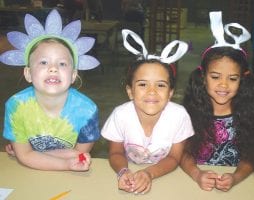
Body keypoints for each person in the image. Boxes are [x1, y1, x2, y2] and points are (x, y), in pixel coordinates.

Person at [0, 9, 101, 171]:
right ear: (28, 73)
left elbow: (77, 156)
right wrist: (64, 162)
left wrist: (30, 152)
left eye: (62, 64)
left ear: (73, 75)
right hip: (29, 172)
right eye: (43, 62)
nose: (53, 68)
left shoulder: (87, 111)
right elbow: (25, 156)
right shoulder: (16, 105)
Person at [180, 11, 254, 192]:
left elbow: (250, 155)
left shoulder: (248, 112)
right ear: (203, 77)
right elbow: (181, 152)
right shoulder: (189, 112)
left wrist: (235, 177)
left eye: (232, 78)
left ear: (243, 79)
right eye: (215, 76)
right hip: (193, 182)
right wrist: (197, 174)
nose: (223, 85)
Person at [101, 29, 194, 194]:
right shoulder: (120, 115)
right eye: (143, 84)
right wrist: (123, 171)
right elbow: (115, 152)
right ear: (130, 91)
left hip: (165, 176)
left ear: (170, 93)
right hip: (130, 171)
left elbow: (174, 158)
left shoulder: (179, 116)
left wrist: (148, 173)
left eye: (160, 85)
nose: (152, 91)